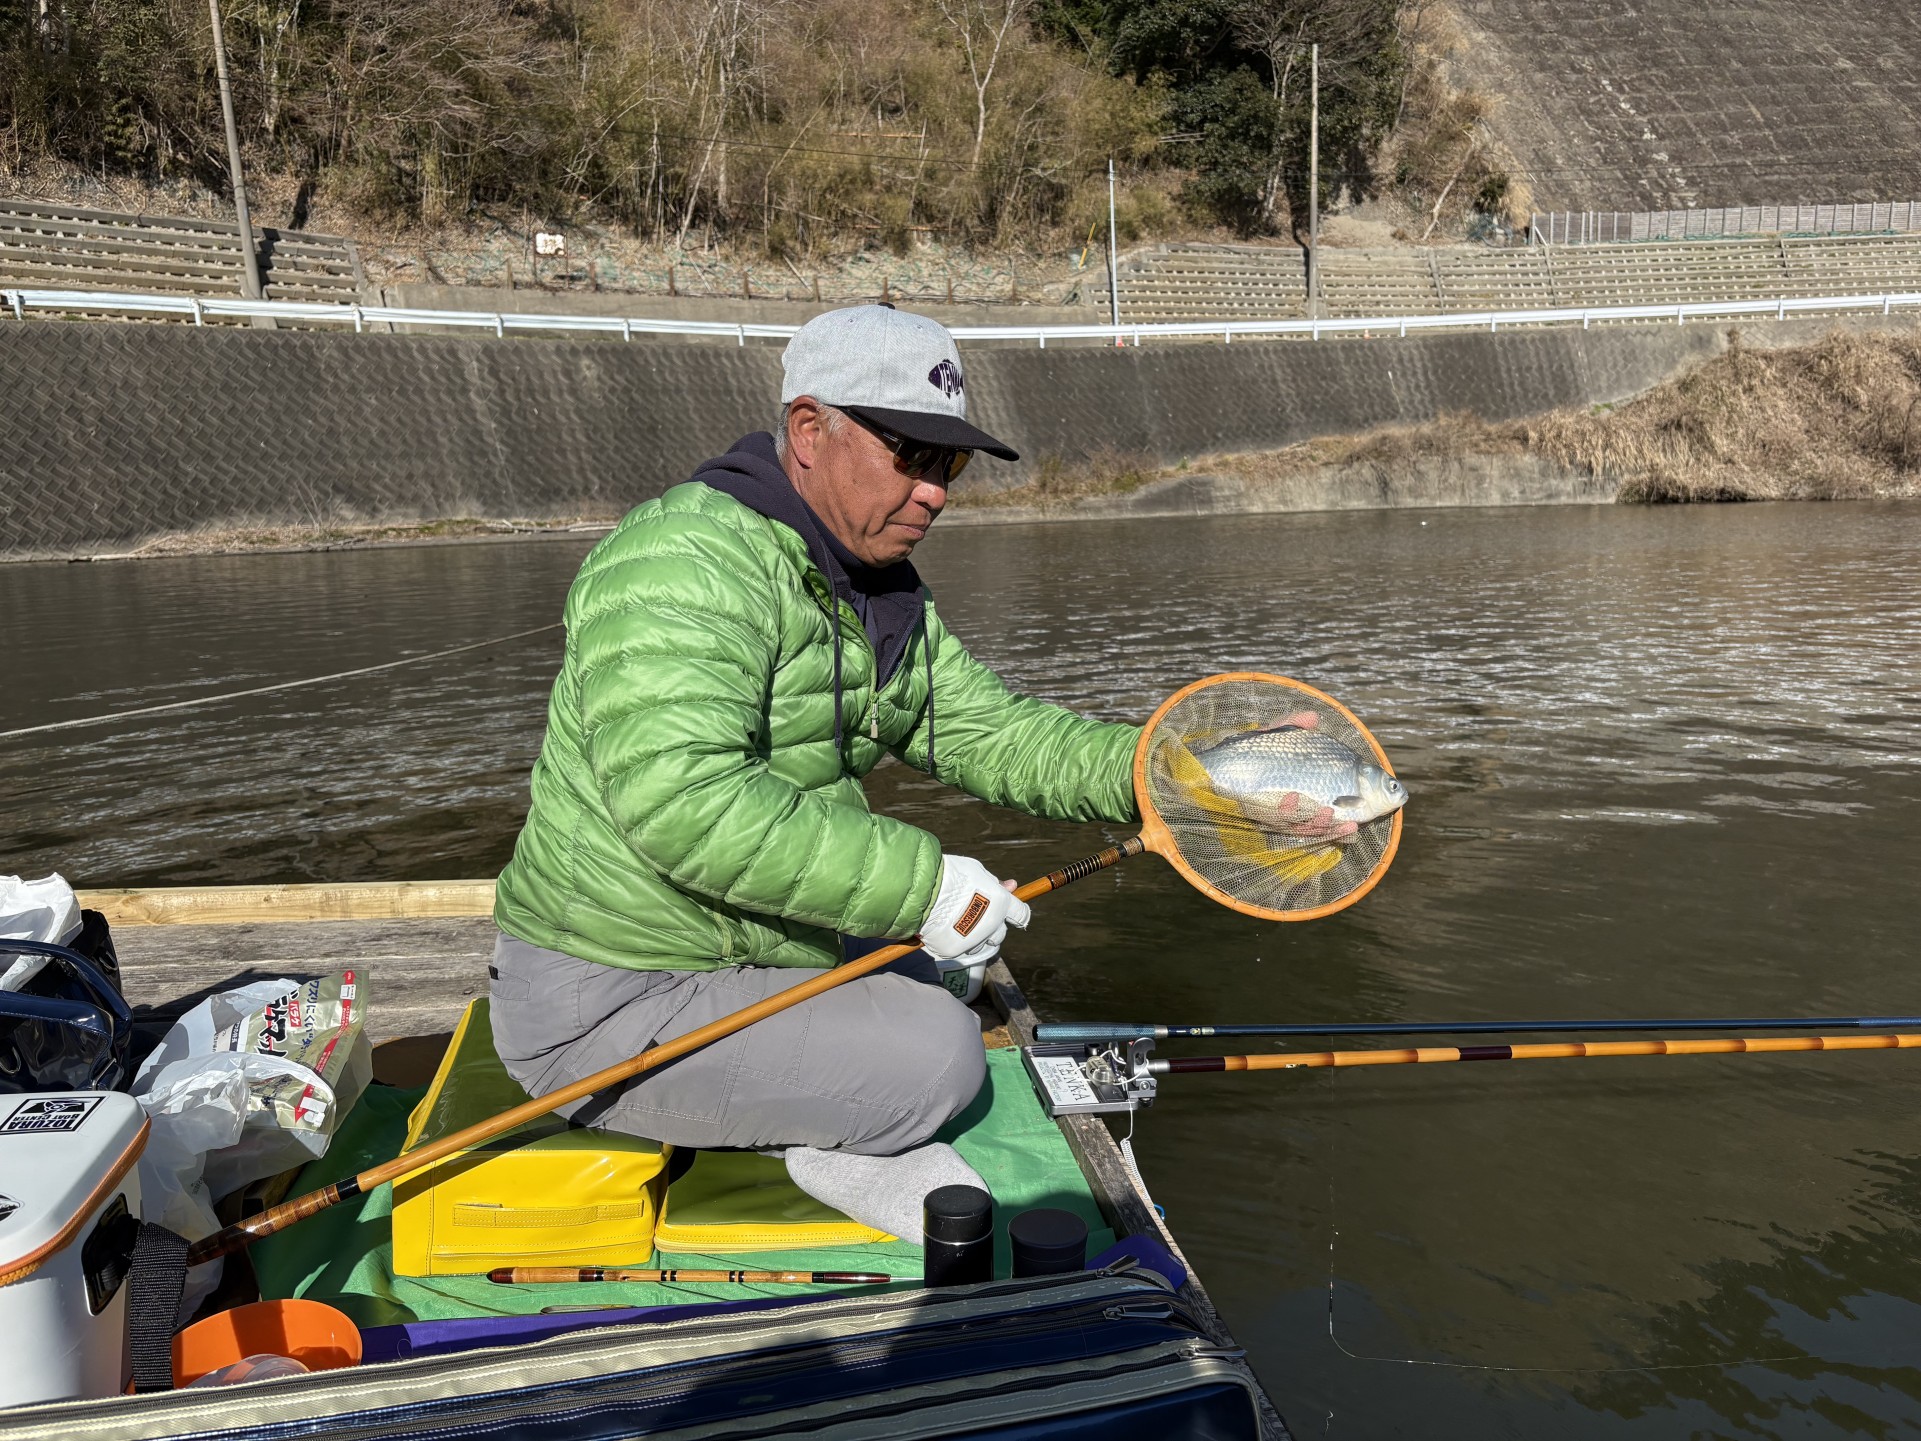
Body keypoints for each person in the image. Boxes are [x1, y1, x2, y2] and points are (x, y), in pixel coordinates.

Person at [489, 305, 1357, 1242]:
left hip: (750, 950)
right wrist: (925, 883)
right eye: (911, 454)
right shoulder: (683, 563)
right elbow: (686, 807)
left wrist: (1192, 777)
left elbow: (997, 735)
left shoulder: (873, 587)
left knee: (955, 970)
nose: (936, 492)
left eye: (949, 465)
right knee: (943, 1056)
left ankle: (837, 1092)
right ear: (809, 431)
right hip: (610, 997)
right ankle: (836, 1138)